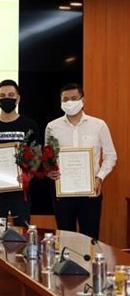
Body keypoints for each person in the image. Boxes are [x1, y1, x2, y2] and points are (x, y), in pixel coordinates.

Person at [45, 83, 116, 239]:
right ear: (61, 102)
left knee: (90, 238)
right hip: (62, 192)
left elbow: (111, 156)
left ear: (82, 100)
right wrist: (49, 171)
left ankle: (89, 264)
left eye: (74, 98)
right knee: (65, 237)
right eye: (65, 99)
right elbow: (48, 158)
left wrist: (99, 178)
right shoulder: (52, 127)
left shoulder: (99, 125)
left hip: (90, 192)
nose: (69, 102)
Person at [0, 79, 41, 227]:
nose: (7, 98)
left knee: (22, 228)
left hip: (20, 188)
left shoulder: (29, 124)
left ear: (18, 98)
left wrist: (28, 175)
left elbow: (37, 154)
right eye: (3, 95)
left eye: (11, 95)